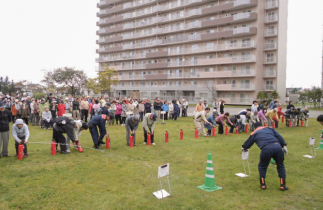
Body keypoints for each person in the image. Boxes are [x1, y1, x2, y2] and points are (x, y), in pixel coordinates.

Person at [242, 122, 288, 191]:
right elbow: (279, 136)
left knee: (262, 166)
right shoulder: (270, 129)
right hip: (278, 147)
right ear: (262, 126)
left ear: (255, 128)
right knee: (280, 165)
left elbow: (247, 144)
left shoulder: (254, 133)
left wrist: (244, 148)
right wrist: (284, 145)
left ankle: (263, 185)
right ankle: (282, 185)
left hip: (266, 149)